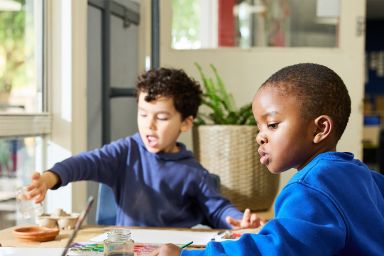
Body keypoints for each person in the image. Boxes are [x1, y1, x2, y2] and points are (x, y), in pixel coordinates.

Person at [151, 63, 384, 255]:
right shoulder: (364, 176)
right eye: (259, 127)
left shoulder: (310, 186)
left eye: (272, 125)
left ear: (320, 129)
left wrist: (186, 254)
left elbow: (273, 252)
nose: (260, 137)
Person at [24, 67, 262, 229]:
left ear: (186, 123)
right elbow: (85, 163)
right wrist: (48, 179)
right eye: (143, 114)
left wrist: (241, 221)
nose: (149, 125)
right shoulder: (125, 152)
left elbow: (219, 210)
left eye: (161, 117)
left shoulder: (195, 174)